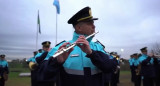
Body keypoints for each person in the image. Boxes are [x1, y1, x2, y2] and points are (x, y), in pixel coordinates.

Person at [37, 6, 116, 86]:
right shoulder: (61, 48)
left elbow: (111, 67)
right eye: (90, 23)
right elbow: (42, 75)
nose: (94, 26)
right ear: (79, 28)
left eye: (93, 23)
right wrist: (56, 62)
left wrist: (92, 53)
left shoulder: (98, 47)